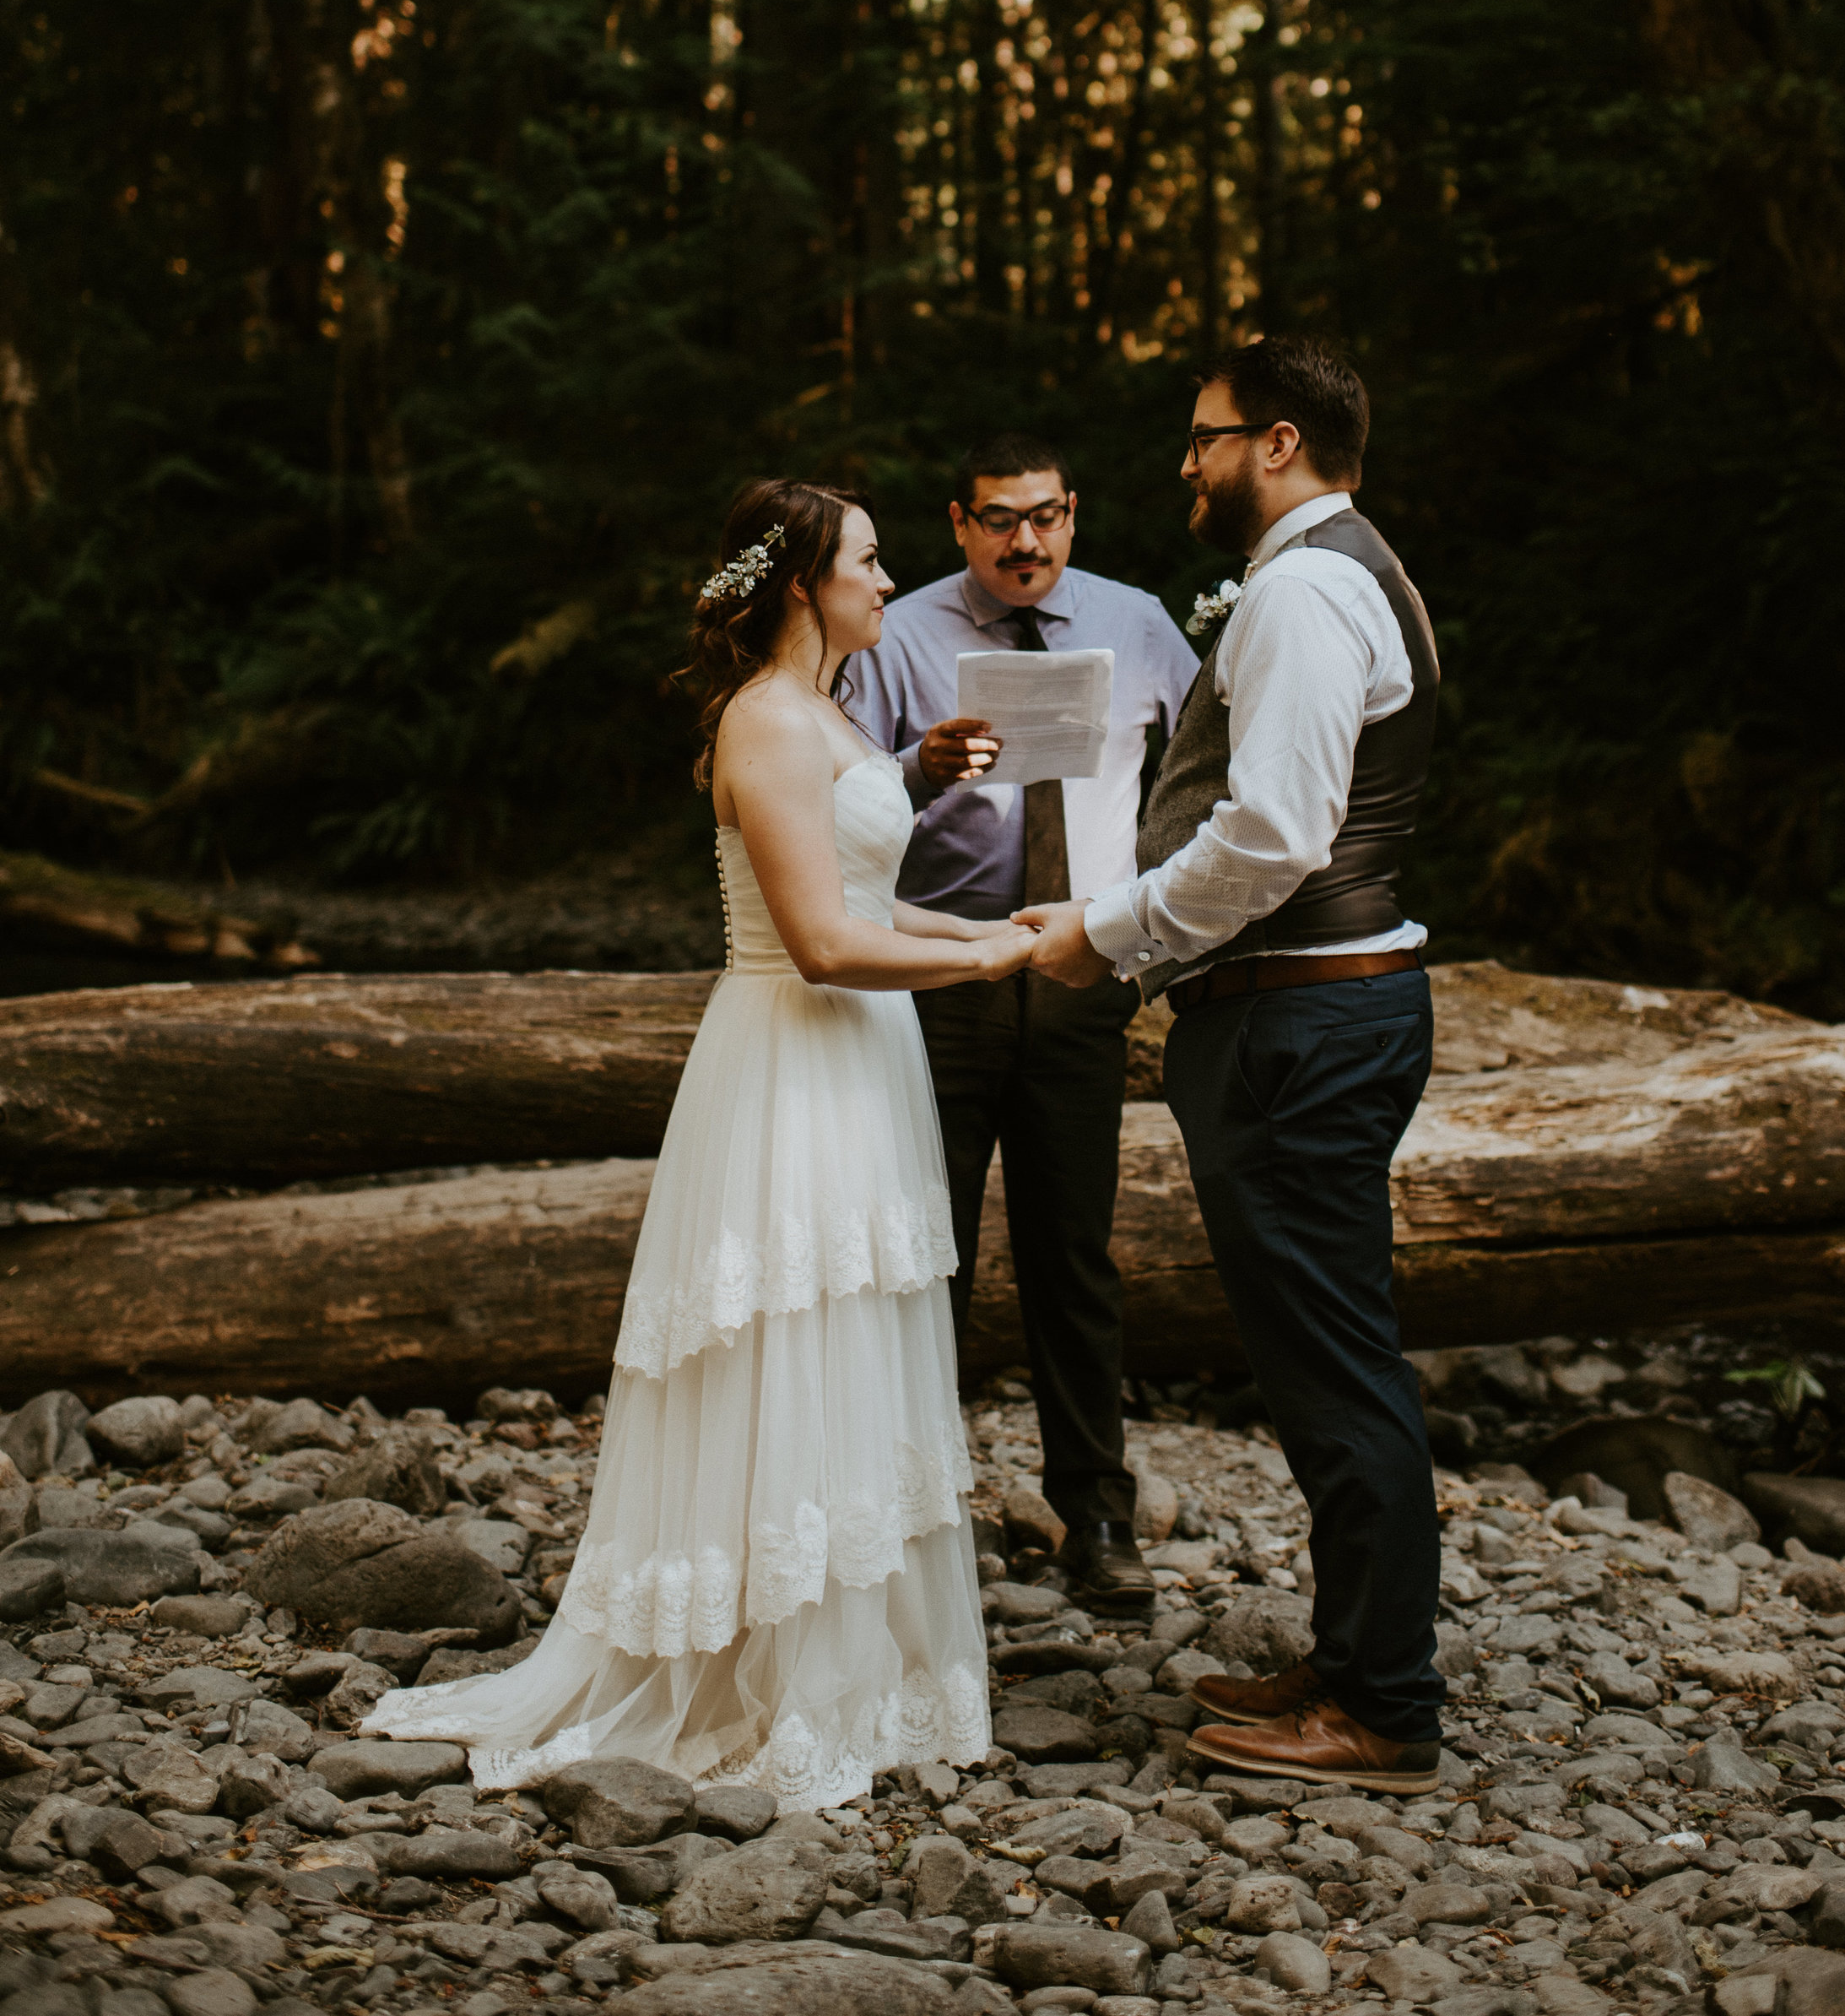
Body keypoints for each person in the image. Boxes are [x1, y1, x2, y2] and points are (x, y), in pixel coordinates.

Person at [363, 480, 1036, 1806]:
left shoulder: (840, 711)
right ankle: (762, 1674)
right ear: (803, 583)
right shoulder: (769, 722)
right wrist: (992, 964)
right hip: (794, 1055)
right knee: (787, 1333)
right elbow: (826, 944)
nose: (890, 580)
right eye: (871, 558)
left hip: (865, 1055)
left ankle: (854, 1661)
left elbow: (874, 893)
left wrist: (1013, 925)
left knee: (856, 1327)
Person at [1017, 338, 1447, 1793]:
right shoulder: (1354, 570)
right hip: (1309, 1016)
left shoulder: (1308, 590)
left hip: (1301, 1022)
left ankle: (1383, 1708)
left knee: (1336, 1364)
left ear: (1275, 442)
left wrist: (1112, 934)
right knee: (1323, 1351)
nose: (1185, 463)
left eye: (1201, 438)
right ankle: (1348, 1661)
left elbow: (1273, 836)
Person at [842, 434, 1196, 1615]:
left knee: (1073, 1255)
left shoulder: (1140, 621)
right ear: (959, 522)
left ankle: (1096, 1514)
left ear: (1074, 515)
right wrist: (917, 764)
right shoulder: (900, 634)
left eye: (1044, 516)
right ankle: (908, 1523)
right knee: (922, 1255)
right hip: (938, 979)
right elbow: (835, 798)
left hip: (1079, 976)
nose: (1025, 541)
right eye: (1000, 519)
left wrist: (1159, 925)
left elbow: (1212, 772)